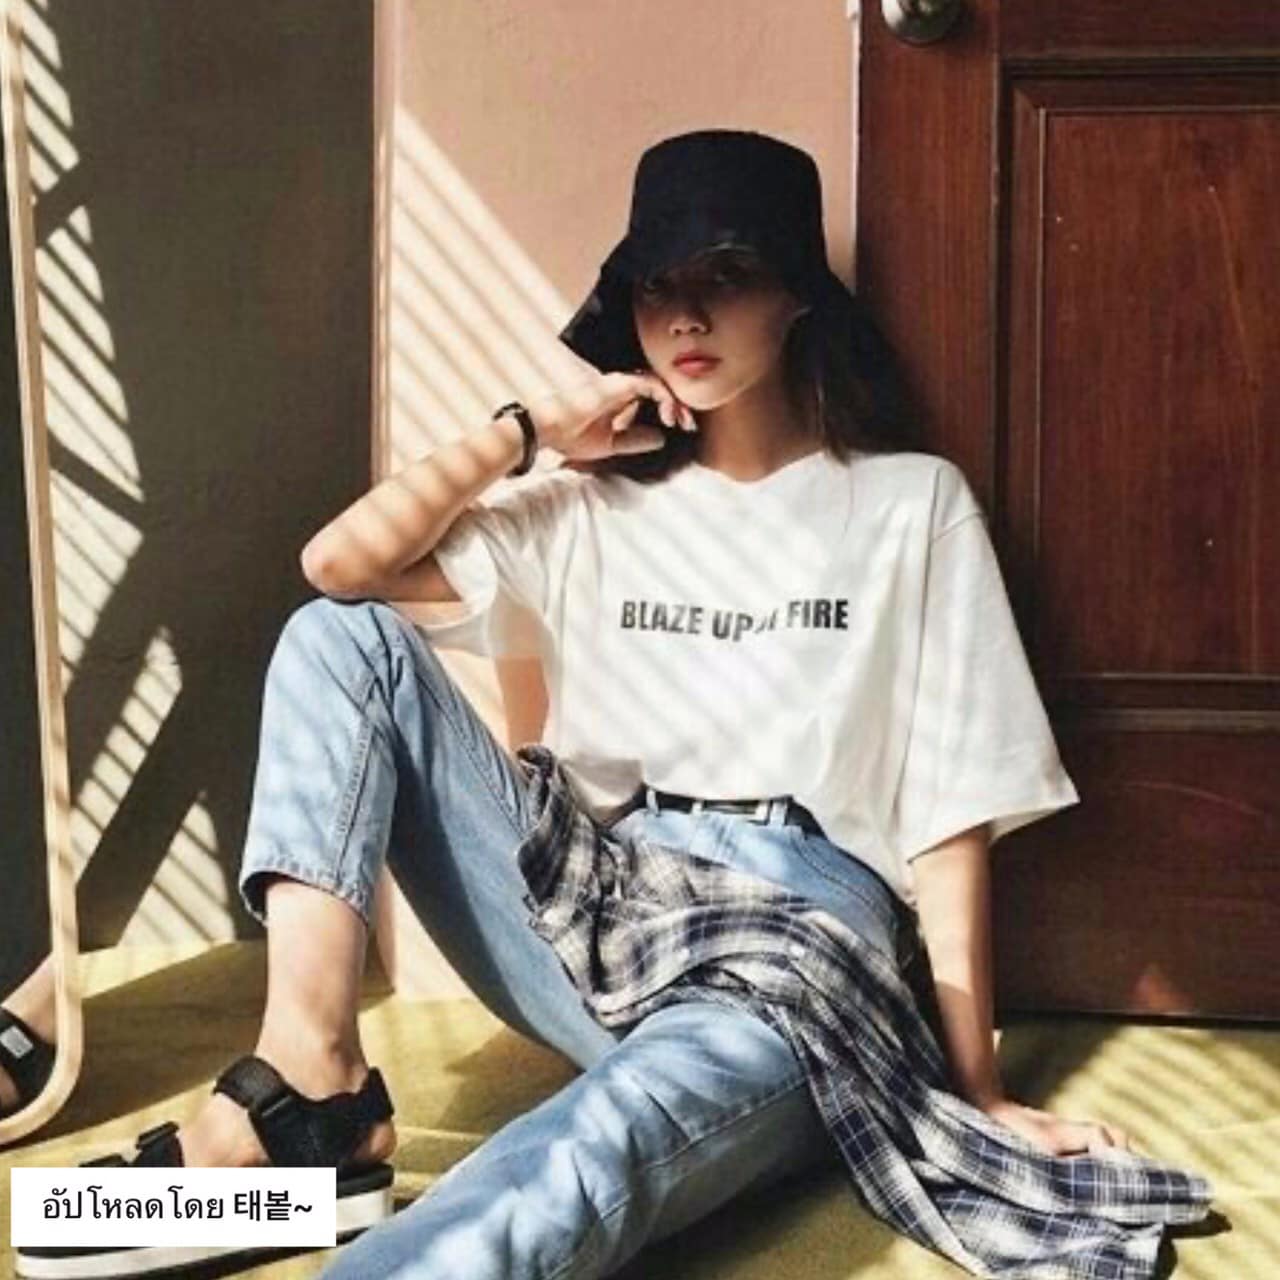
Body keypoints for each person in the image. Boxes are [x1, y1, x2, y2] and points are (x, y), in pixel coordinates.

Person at [25, 129, 1149, 1280]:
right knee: (340, 636)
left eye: (725, 275)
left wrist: (975, 1089)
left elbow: (949, 816)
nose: (685, 316)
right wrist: (526, 433)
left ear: (798, 296)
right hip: (593, 898)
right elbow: (335, 567)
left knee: (586, 1149)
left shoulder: (911, 505)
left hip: (792, 943)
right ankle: (312, 1089)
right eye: (657, 286)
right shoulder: (585, 509)